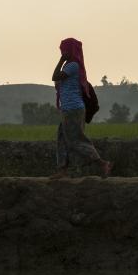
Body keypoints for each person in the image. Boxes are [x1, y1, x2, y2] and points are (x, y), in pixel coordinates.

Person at [50, 37, 111, 179]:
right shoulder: (69, 66)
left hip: (73, 109)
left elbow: (54, 76)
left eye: (64, 51)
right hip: (68, 109)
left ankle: (102, 163)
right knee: (62, 139)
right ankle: (62, 170)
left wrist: (61, 60)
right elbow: (59, 83)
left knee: (76, 140)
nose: (62, 53)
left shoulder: (73, 65)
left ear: (69, 51)